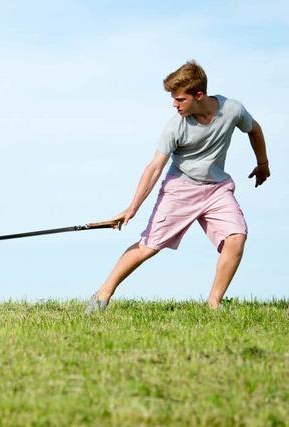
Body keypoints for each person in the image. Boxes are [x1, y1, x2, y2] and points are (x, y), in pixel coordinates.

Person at [86, 60, 270, 313]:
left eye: (180, 99)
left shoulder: (232, 110)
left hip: (217, 189)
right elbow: (154, 167)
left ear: (199, 95)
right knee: (147, 247)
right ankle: (102, 294)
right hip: (180, 190)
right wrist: (132, 208)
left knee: (236, 238)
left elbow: (255, 129)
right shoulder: (176, 126)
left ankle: (214, 304)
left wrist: (263, 163)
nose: (174, 104)